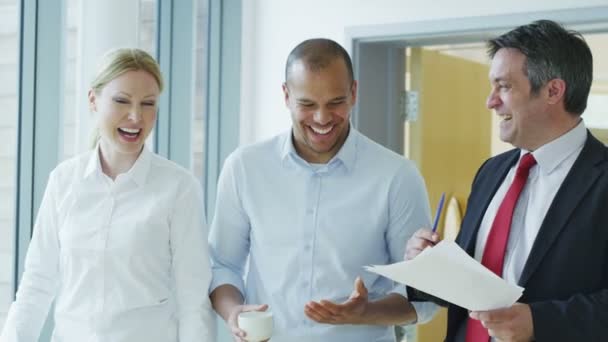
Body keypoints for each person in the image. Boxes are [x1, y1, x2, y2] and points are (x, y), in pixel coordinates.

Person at [209, 38, 436, 342]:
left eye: (335, 103)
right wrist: (233, 311)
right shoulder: (244, 168)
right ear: (286, 96)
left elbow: (423, 296)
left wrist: (365, 312)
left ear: (354, 93)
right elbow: (222, 265)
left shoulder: (397, 177)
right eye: (307, 104)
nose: (322, 118)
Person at [405, 20, 608, 341]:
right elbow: (472, 288)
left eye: (504, 86)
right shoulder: (491, 172)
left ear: (553, 91)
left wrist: (538, 321)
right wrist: (427, 268)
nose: (490, 101)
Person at [0, 48, 215, 341]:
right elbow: (37, 282)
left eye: (148, 103)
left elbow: (194, 300)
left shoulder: (178, 187)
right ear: (93, 100)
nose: (136, 116)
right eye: (121, 101)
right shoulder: (64, 181)